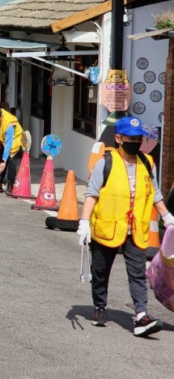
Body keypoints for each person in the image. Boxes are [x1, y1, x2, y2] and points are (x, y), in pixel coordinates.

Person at [77, 117, 174, 336]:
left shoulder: (147, 162)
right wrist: (84, 222)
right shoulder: (106, 162)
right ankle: (100, 307)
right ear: (119, 138)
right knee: (101, 272)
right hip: (107, 227)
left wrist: (166, 216)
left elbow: (154, 193)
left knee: (137, 273)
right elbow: (92, 194)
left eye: (138, 138)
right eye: (131, 138)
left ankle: (141, 315)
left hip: (136, 230)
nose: (136, 142)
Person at [0, 107, 24, 194]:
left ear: (1, 116)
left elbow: (9, 143)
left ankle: (10, 186)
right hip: (2, 141)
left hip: (14, 142)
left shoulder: (9, 123)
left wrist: (4, 161)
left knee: (11, 163)